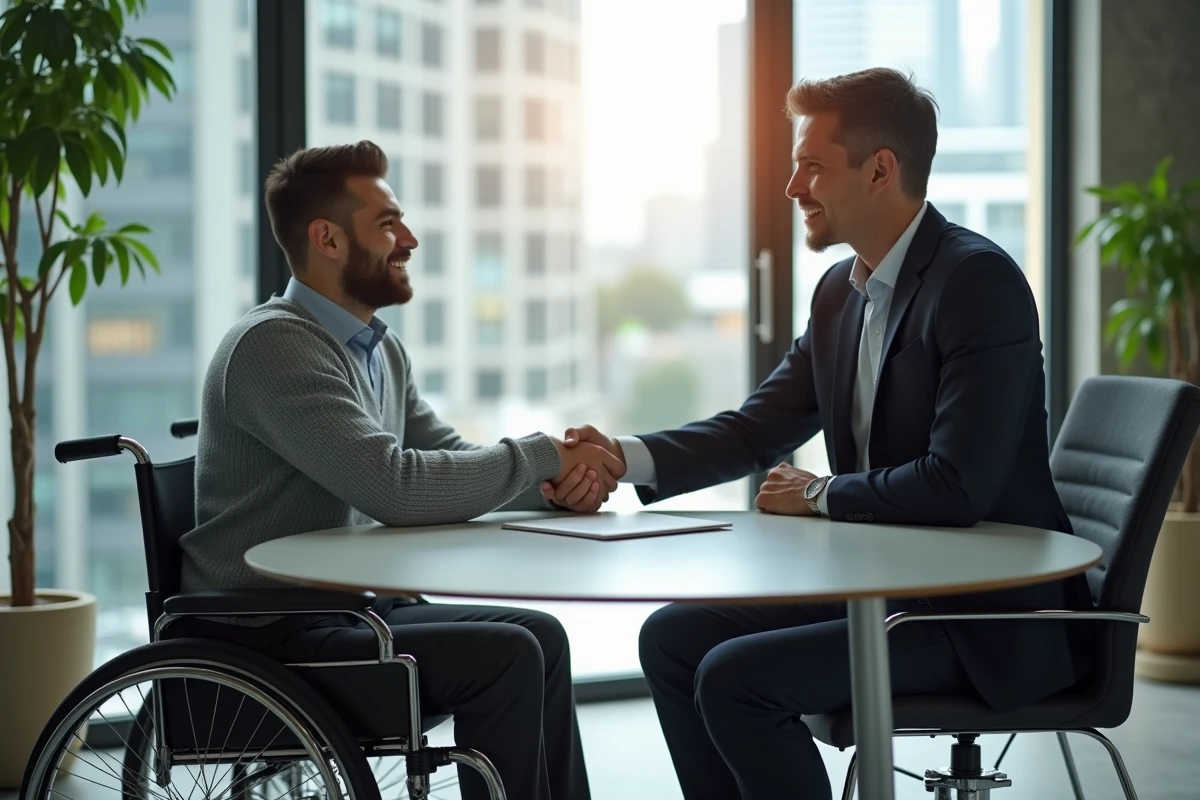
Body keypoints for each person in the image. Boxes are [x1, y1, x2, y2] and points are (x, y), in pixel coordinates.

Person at [543, 68, 1094, 800]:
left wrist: (824, 493)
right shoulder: (841, 292)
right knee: (674, 639)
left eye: (811, 166)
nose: (792, 188)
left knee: (736, 680)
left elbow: (958, 484)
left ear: (879, 170)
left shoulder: (977, 283)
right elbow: (756, 429)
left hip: (980, 618)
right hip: (890, 592)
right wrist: (624, 457)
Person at [179, 141, 619, 800]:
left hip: (339, 612)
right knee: (508, 656)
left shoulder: (377, 351)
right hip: (263, 633)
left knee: (539, 635)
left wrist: (553, 489)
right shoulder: (274, 346)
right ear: (326, 239)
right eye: (388, 224)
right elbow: (396, 485)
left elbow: (446, 456)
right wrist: (544, 455)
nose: (409, 238)